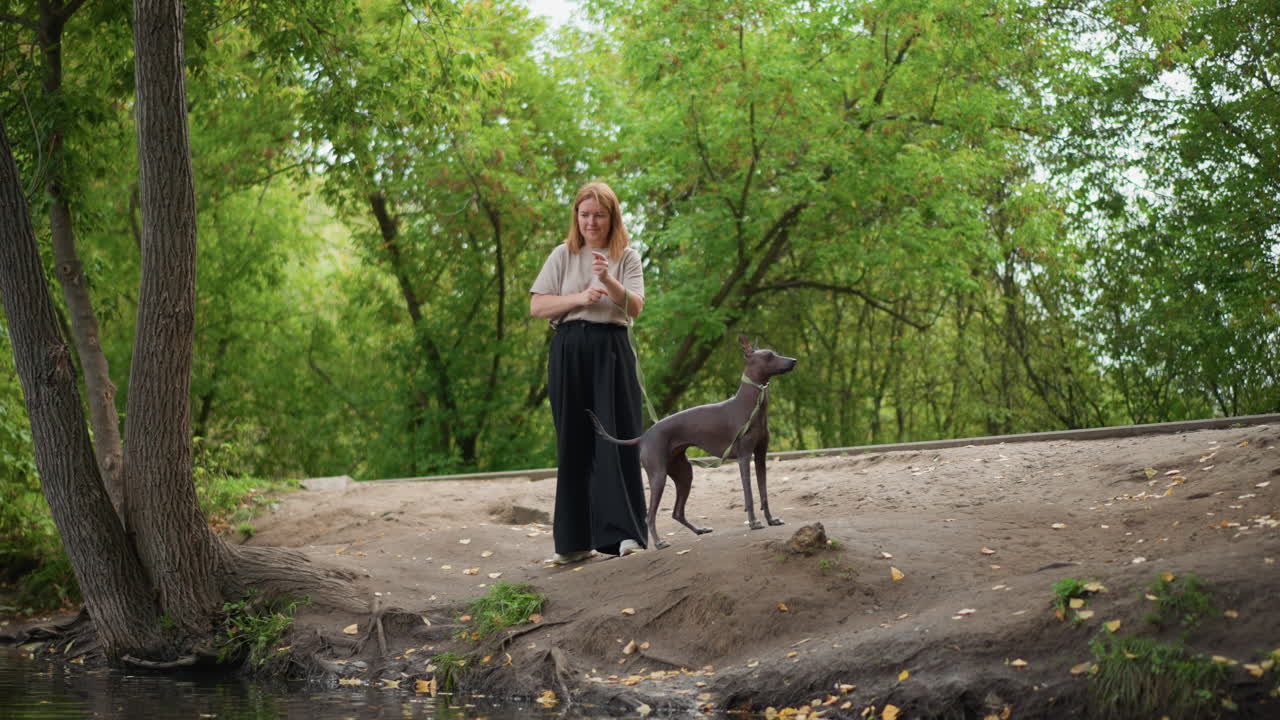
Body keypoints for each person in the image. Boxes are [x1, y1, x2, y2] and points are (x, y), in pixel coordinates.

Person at [530, 181, 648, 564]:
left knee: (617, 436)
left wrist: (608, 280)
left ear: (611, 217)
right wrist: (580, 297)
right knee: (573, 439)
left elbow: (635, 307)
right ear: (576, 217)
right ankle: (573, 542)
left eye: (599, 214)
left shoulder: (626, 257)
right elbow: (538, 307)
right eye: (584, 214)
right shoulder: (563, 254)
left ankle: (627, 535)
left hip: (611, 350)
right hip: (568, 348)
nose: (591, 222)